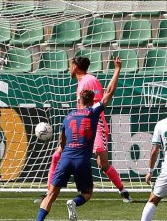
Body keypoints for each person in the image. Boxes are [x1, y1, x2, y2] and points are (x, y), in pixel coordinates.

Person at [29, 58, 122, 221]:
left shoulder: (69, 117)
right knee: (87, 193)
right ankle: (74, 202)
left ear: (79, 99)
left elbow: (62, 143)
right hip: (82, 160)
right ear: (91, 100)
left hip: (66, 158)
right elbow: (109, 92)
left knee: (51, 194)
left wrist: (61, 151)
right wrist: (117, 69)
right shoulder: (93, 113)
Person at [36, 56, 132, 204]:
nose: (69, 68)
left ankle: (123, 190)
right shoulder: (82, 82)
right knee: (56, 156)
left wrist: (117, 70)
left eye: (70, 65)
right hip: (81, 125)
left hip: (95, 125)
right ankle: (49, 192)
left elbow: (103, 99)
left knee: (103, 164)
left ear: (75, 66)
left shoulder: (89, 81)